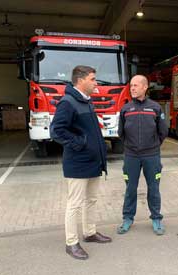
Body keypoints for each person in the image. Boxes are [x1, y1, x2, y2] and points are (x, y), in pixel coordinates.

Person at [50, 65, 111, 260]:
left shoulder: (86, 101)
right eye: (93, 79)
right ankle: (71, 243)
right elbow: (56, 131)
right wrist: (80, 143)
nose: (96, 83)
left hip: (93, 161)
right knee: (75, 204)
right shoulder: (68, 102)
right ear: (81, 80)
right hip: (78, 162)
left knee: (91, 200)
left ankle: (90, 232)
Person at [117, 75, 168, 235]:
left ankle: (156, 219)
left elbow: (163, 131)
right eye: (131, 85)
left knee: (154, 188)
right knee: (130, 189)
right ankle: (127, 218)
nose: (132, 88)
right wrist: (131, 147)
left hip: (151, 155)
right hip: (131, 156)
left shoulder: (155, 108)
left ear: (145, 87)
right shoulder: (126, 109)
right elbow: (121, 133)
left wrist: (152, 145)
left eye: (136, 85)